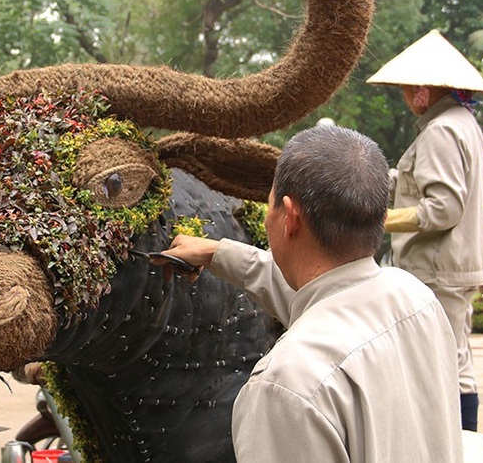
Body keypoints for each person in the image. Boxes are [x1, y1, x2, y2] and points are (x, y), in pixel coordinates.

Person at [159, 125, 462, 462]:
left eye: (270, 203)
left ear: (289, 216)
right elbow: (318, 296)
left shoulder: (285, 385)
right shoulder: (417, 300)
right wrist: (217, 253)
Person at [366, 29, 483, 432]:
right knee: (457, 359)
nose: (404, 97)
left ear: (423, 90)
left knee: (445, 364)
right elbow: (419, 183)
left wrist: (377, 219)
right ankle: (461, 445)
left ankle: (456, 445)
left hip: (438, 269)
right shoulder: (461, 123)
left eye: (406, 89)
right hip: (455, 266)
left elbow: (442, 208)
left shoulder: (441, 132)